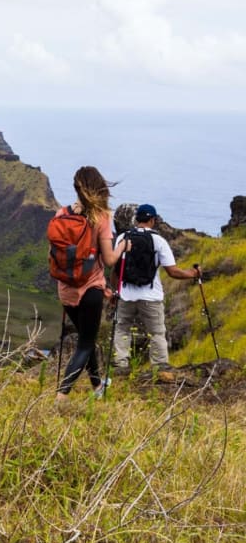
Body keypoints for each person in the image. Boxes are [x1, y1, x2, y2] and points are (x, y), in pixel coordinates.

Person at [56, 166, 128, 403]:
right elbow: (109, 260)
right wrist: (122, 247)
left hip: (66, 288)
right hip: (90, 288)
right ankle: (61, 397)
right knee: (85, 344)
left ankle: (97, 386)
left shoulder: (61, 214)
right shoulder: (101, 217)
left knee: (86, 338)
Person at [112, 203, 201, 371]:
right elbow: (173, 272)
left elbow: (116, 269)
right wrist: (192, 274)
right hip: (151, 296)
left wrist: (115, 292)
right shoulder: (158, 241)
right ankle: (159, 367)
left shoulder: (122, 238)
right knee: (156, 333)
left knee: (122, 329)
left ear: (136, 219)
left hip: (126, 295)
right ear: (152, 220)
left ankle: (120, 364)